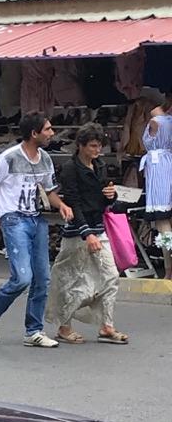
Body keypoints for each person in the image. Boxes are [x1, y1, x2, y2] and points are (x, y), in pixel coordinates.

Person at [0, 111, 73, 348]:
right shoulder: (9, 157)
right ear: (34, 133)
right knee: (22, 277)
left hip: (36, 220)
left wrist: (61, 205)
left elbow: (49, 190)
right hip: (13, 220)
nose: (52, 133)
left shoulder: (45, 159)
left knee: (43, 277)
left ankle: (34, 331)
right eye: (48, 129)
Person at [45, 123, 128, 345]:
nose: (97, 150)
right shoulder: (70, 169)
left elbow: (103, 199)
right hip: (77, 232)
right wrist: (86, 233)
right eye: (92, 145)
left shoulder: (100, 166)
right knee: (71, 281)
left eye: (99, 145)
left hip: (98, 227)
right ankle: (64, 327)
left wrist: (111, 195)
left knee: (110, 276)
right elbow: (73, 202)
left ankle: (106, 326)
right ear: (81, 146)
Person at [140, 96, 172, 279]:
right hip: (167, 163)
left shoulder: (156, 121)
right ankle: (168, 266)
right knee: (165, 220)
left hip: (159, 168)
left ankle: (169, 267)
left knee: (162, 220)